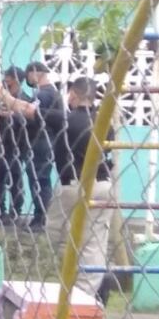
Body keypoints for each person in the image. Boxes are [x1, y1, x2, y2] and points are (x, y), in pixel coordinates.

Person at [46, 78, 115, 301]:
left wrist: (5, 97)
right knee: (94, 242)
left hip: (73, 186)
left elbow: (29, 111)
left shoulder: (65, 119)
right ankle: (87, 292)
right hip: (103, 184)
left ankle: (77, 293)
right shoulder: (106, 125)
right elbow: (110, 159)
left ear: (73, 94)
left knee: (58, 233)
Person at [0, 61, 64, 232]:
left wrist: (8, 109)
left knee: (38, 180)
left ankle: (40, 219)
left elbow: (30, 114)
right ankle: (39, 218)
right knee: (38, 180)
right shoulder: (47, 93)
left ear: (35, 73)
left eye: (29, 73)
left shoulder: (43, 95)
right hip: (38, 142)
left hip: (37, 143)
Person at [0, 66, 29, 225]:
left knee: (15, 179)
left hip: (16, 145)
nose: (4, 80)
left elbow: (26, 121)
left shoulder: (24, 99)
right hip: (1, 143)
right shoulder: (1, 99)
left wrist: (9, 114)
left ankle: (15, 212)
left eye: (7, 77)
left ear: (14, 79)